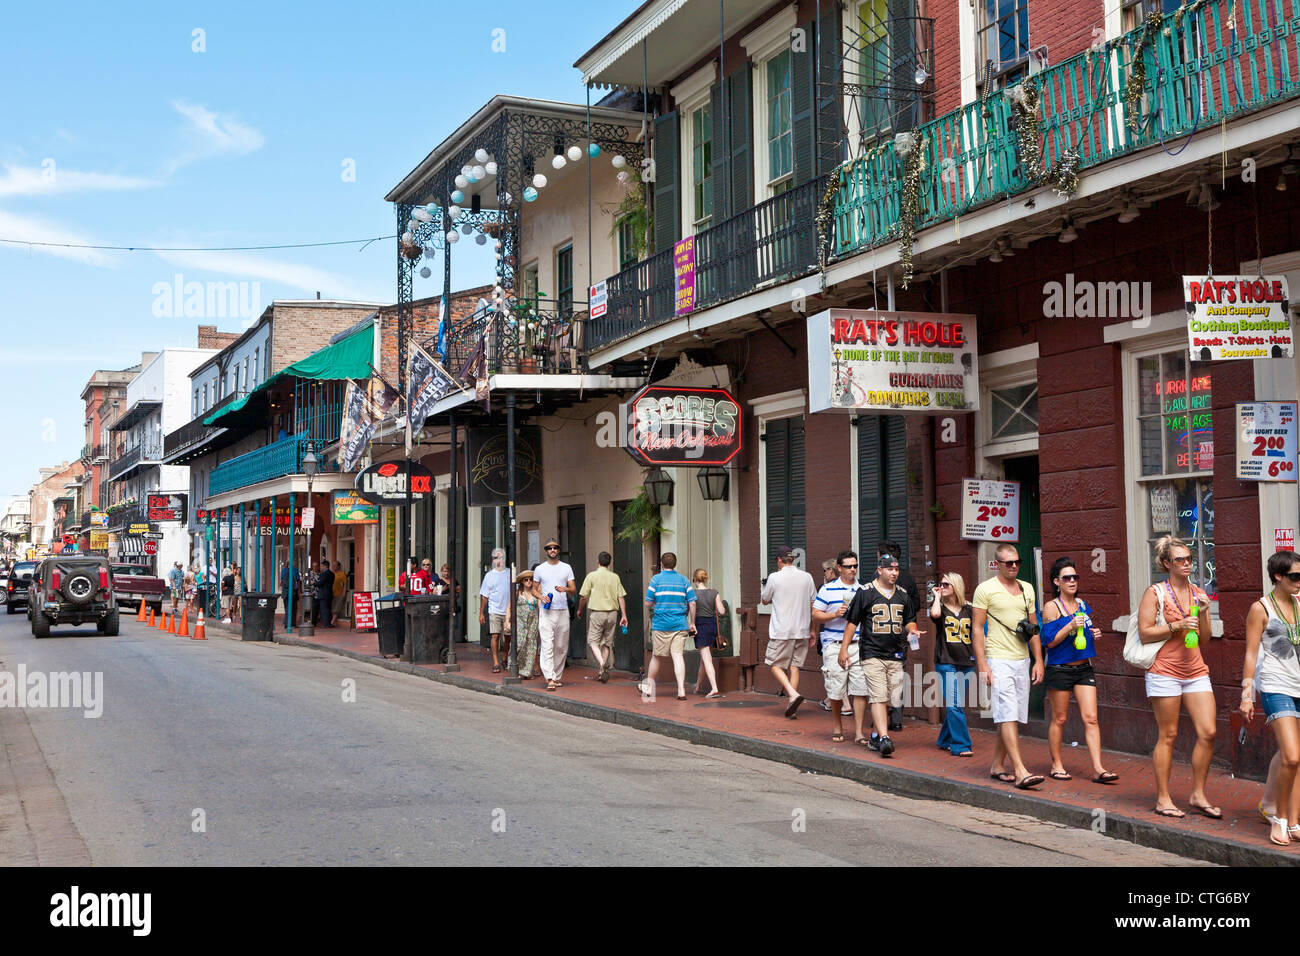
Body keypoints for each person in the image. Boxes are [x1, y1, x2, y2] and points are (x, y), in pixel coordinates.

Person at [1136, 536, 1219, 820]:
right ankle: (1163, 798)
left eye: (1190, 559)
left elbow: (1204, 640)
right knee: (1168, 735)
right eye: (1180, 559)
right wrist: (1177, 625)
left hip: (1195, 670)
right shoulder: (1155, 592)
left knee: (1208, 732)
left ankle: (1198, 794)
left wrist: (1205, 614)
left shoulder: (1198, 592)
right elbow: (1145, 632)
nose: (1187, 564)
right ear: (1166, 564)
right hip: (1164, 671)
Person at [972, 543, 1045, 789]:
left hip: (1021, 659)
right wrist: (982, 663)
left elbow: (1033, 627)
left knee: (1010, 715)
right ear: (998, 564)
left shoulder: (1027, 589)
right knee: (1007, 713)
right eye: (1008, 563)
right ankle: (1020, 770)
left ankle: (996, 765)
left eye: (1017, 562)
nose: (1014, 566)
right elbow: (977, 629)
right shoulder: (985, 590)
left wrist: (1038, 660)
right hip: (998, 657)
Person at [1040, 558, 1117, 783]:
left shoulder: (1082, 604)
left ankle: (1098, 769)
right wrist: (1070, 625)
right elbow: (1049, 641)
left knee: (1091, 718)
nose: (1072, 581)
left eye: (1075, 577)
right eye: (1067, 578)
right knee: (1060, 719)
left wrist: (1094, 633)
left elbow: (1085, 632)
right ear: (1057, 582)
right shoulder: (1051, 607)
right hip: (1060, 669)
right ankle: (1056, 764)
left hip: (1084, 668)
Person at [1241, 550, 1300, 845]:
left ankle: (1293, 821)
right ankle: (1278, 818)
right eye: (1294, 576)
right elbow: (1252, 653)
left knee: (1299, 758)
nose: (1299, 581)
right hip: (1277, 686)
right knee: (1291, 755)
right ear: (1278, 576)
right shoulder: (1261, 608)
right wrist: (1247, 695)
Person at [840, 553, 917, 754]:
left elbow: (909, 619)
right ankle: (884, 738)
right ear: (880, 570)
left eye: (897, 569)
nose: (894, 573)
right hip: (872, 652)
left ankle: (875, 735)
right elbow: (852, 622)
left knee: (892, 699)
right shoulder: (865, 592)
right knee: (878, 696)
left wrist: (912, 630)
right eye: (890, 569)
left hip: (896, 653)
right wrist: (844, 649)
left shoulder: (902, 594)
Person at [760, 546, 817, 718]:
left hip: (782, 630)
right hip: (802, 629)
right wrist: (813, 630)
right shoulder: (807, 577)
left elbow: (764, 600)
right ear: (793, 559)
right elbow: (813, 604)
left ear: (779, 560)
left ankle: (793, 695)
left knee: (774, 664)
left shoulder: (774, 577)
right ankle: (792, 707)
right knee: (795, 666)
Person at [814, 550, 863, 741]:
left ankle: (859, 732)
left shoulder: (864, 589)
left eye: (855, 566)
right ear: (840, 568)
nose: (853, 570)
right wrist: (835, 614)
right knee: (836, 689)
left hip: (858, 644)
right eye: (849, 566)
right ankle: (837, 726)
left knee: (861, 689)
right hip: (834, 644)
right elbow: (816, 614)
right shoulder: (827, 589)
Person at [638, 552, 695, 701]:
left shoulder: (656, 580)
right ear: (675, 564)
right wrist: (692, 622)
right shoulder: (684, 580)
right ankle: (681, 690)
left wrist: (658, 603)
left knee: (657, 656)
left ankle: (649, 687)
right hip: (680, 623)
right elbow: (693, 602)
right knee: (678, 656)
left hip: (661, 624)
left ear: (662, 564)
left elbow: (647, 602)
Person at [930, 571, 975, 757]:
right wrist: (936, 596)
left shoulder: (969, 609)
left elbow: (980, 632)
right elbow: (934, 615)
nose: (942, 587)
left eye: (946, 585)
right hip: (945, 660)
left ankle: (944, 739)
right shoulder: (939, 606)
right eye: (941, 584)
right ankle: (961, 744)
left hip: (966, 661)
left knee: (955, 704)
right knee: (954, 703)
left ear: (956, 586)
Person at [878, 540, 917, 731]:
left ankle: (882, 714)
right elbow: (916, 604)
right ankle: (897, 718)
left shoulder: (876, 579)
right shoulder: (908, 578)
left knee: (881, 674)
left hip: (883, 633)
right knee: (897, 674)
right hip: (903, 632)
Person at [576, 551, 628, 683]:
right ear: (609, 563)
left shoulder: (592, 576)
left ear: (598, 561)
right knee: (607, 643)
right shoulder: (615, 577)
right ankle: (602, 672)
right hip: (612, 614)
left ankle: (601, 663)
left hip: (597, 612)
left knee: (593, 642)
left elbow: (583, 596)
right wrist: (624, 615)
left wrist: (580, 609)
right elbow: (620, 596)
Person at [533, 539, 576, 691]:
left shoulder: (566, 567)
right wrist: (540, 596)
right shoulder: (540, 569)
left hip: (563, 610)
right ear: (546, 551)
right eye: (550, 548)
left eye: (555, 548)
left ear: (558, 550)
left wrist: (565, 589)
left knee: (561, 646)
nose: (552, 550)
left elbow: (573, 588)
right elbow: (534, 589)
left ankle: (557, 676)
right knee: (547, 644)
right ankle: (549, 677)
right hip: (546, 611)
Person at [689, 568, 725, 699]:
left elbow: (689, 609)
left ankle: (714, 688)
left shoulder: (692, 593)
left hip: (701, 626)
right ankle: (697, 686)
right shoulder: (714, 592)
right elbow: (721, 611)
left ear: (695, 580)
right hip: (712, 626)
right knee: (704, 660)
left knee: (707, 659)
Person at [479, 549, 513, 673]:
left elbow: (516, 591)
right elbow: (484, 596)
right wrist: (481, 613)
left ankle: (504, 658)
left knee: (508, 637)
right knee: (495, 635)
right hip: (494, 610)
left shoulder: (510, 573)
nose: (499, 560)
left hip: (508, 611)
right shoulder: (489, 575)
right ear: (493, 560)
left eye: (501, 557)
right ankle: (495, 661)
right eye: (496, 558)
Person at [514, 569, 541, 680]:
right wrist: (507, 620)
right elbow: (510, 606)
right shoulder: (518, 593)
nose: (529, 581)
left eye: (531, 579)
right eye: (526, 580)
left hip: (532, 622)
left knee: (531, 646)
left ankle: (526, 671)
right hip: (520, 622)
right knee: (520, 643)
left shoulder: (536, 592)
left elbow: (540, 605)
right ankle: (515, 666)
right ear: (522, 582)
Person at [279, 561, 300, 630]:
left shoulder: (284, 571)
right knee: (292, 608)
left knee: (288, 608)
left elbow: (282, 582)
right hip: (291, 593)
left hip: (286, 593)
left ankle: (288, 623)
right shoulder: (293, 571)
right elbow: (296, 581)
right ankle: (289, 623)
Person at [315, 560, 335, 628]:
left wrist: (314, 583)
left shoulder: (324, 574)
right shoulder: (332, 574)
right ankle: (328, 623)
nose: (321, 567)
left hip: (323, 594)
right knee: (328, 609)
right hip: (329, 593)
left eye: (322, 566)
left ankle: (326, 624)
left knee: (324, 609)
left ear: (325, 566)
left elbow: (320, 583)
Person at [332, 561, 347, 625]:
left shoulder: (342, 574)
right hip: (332, 593)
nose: (334, 567)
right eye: (333, 565)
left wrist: (344, 593)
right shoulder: (331, 573)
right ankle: (334, 621)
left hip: (339, 593)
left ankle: (332, 621)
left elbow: (345, 584)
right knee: (332, 608)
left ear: (339, 566)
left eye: (335, 565)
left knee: (336, 608)